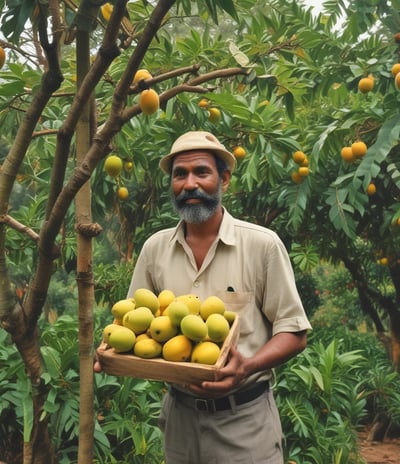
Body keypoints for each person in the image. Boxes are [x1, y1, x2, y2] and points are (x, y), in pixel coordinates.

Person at [96, 131, 311, 464]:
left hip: (245, 422)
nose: (190, 183)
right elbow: (135, 324)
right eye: (180, 174)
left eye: (202, 172)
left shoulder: (261, 246)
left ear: (223, 178)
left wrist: (248, 366)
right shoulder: (155, 249)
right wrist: (114, 354)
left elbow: (294, 332)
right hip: (179, 421)